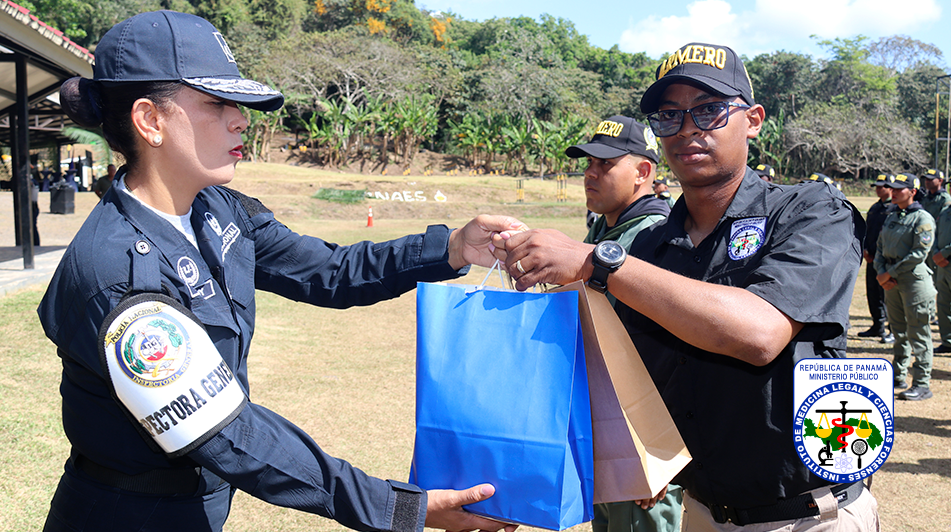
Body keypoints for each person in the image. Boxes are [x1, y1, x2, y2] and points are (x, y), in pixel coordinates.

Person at [38, 10, 523, 532]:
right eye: (217, 103)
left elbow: (328, 271)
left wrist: (451, 248)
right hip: (126, 516)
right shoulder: (118, 273)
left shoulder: (218, 210)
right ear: (150, 120)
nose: (241, 120)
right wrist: (401, 507)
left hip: (196, 506)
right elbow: (228, 433)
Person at [494, 42, 876, 531]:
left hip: (809, 515)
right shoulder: (652, 245)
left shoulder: (811, 211)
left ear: (753, 120)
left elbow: (759, 333)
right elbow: (633, 368)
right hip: (701, 512)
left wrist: (597, 262)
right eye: (669, 116)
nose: (688, 128)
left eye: (710, 110)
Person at [567, 115, 678, 532]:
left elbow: (669, 350)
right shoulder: (607, 228)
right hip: (605, 422)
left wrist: (657, 447)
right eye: (588, 163)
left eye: (606, 164)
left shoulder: (657, 236)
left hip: (642, 434)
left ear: (642, 172)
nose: (590, 173)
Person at [875, 173, 936, 400]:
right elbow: (880, 247)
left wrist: (888, 274)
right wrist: (881, 272)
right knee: (899, 332)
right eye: (892, 188)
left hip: (913, 282)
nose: (893, 192)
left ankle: (921, 383)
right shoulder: (892, 216)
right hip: (892, 281)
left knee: (918, 333)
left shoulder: (922, 218)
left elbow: (919, 253)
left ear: (912, 192)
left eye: (899, 189)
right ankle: (898, 375)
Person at [857, 175, 895, 343]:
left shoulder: (894, 208)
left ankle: (893, 329)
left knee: (888, 295)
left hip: (885, 258)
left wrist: (876, 252)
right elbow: (867, 231)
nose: (878, 189)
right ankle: (877, 326)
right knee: (873, 293)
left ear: (891, 188)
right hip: (871, 258)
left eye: (882, 186)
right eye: (877, 186)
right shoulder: (874, 207)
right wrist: (865, 250)